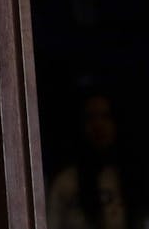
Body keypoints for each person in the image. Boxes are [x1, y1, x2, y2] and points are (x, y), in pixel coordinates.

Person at [46, 87, 148, 229]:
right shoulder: (65, 183)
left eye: (105, 116)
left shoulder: (135, 178)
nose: (98, 125)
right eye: (90, 118)